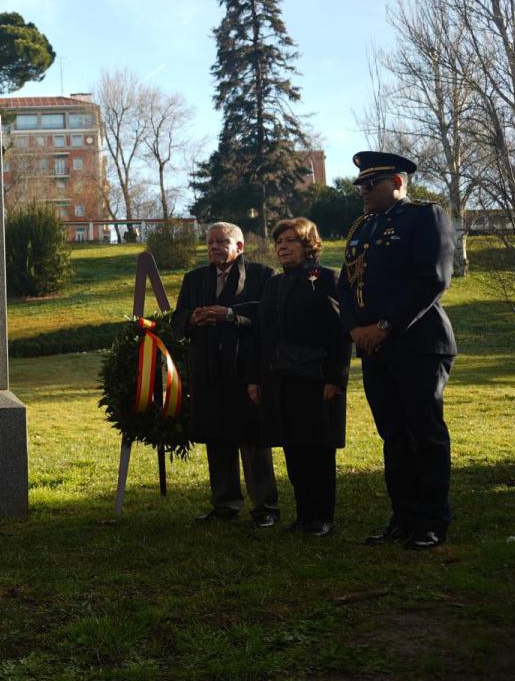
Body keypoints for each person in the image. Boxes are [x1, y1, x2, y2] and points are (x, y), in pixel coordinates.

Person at [337, 151, 457, 550]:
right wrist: (355, 328)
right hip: (373, 349)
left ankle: (432, 520)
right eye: (360, 185)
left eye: (372, 184)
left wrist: (384, 326)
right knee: (393, 435)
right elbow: (346, 286)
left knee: (424, 432)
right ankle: (403, 516)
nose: (363, 191)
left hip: (418, 344)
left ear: (399, 183)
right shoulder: (363, 227)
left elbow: (433, 279)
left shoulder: (426, 216)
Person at [240, 218, 352, 537]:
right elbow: (262, 336)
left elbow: (339, 335)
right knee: (292, 447)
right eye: (279, 242)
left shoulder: (327, 279)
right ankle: (303, 515)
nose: (283, 247)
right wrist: (254, 379)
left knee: (317, 449)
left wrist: (336, 379)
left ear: (308, 245)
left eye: (290, 240)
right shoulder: (273, 284)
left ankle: (322, 517)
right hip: (279, 379)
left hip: (316, 380)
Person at [171, 222, 279, 526]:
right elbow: (176, 321)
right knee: (217, 439)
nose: (214, 248)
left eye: (221, 242)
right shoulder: (194, 279)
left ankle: (266, 508)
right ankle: (225, 505)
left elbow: (268, 318)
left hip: (247, 371)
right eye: (209, 243)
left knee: (254, 442)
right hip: (208, 371)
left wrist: (229, 315)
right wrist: (192, 317)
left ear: (239, 247)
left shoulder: (263, 276)